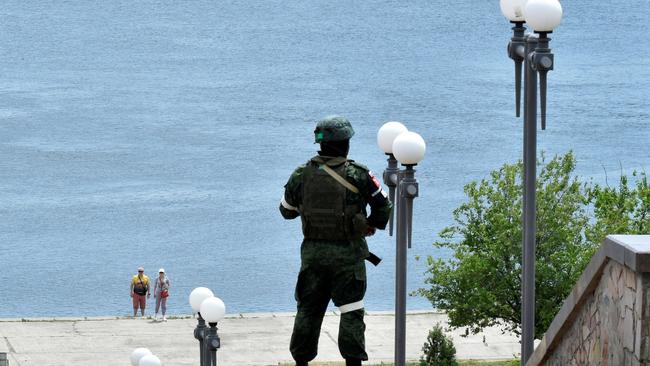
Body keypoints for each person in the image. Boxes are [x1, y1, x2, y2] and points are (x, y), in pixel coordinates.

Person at [279, 116, 392, 366]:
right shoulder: (358, 174)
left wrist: (309, 206)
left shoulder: (301, 174)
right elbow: (384, 206)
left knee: (308, 309)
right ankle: (353, 362)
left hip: (313, 256)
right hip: (348, 257)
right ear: (345, 143)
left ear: (320, 144)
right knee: (351, 311)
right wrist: (369, 224)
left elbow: (286, 211)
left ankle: (301, 361)